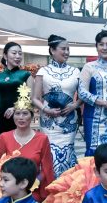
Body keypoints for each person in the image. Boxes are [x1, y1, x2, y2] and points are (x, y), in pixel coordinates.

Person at [0, 84, 55, 197]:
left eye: (25, 113)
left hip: (33, 189)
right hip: (9, 190)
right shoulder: (4, 137)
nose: (21, 117)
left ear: (32, 117)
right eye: (17, 113)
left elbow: (47, 168)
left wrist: (33, 184)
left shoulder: (42, 139)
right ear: (13, 116)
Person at [33, 34, 80, 175]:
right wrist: (45, 109)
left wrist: (74, 105)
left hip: (69, 122)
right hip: (49, 123)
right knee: (50, 154)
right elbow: (35, 98)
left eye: (68, 49)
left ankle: (68, 188)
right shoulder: (43, 72)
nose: (66, 52)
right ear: (52, 50)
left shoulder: (76, 71)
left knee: (68, 153)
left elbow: (83, 96)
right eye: (63, 49)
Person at [0, 42, 30, 155]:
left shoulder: (25, 75)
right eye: (14, 53)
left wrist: (15, 108)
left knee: (18, 151)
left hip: (19, 117)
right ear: (5, 55)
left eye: (20, 53)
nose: (17, 56)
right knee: (0, 151)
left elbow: (32, 99)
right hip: (1, 119)